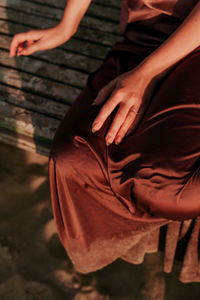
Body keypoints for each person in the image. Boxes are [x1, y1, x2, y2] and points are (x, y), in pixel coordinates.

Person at [9, 0, 200, 283]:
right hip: (148, 32)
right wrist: (67, 25)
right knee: (73, 158)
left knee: (175, 190)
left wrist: (146, 75)